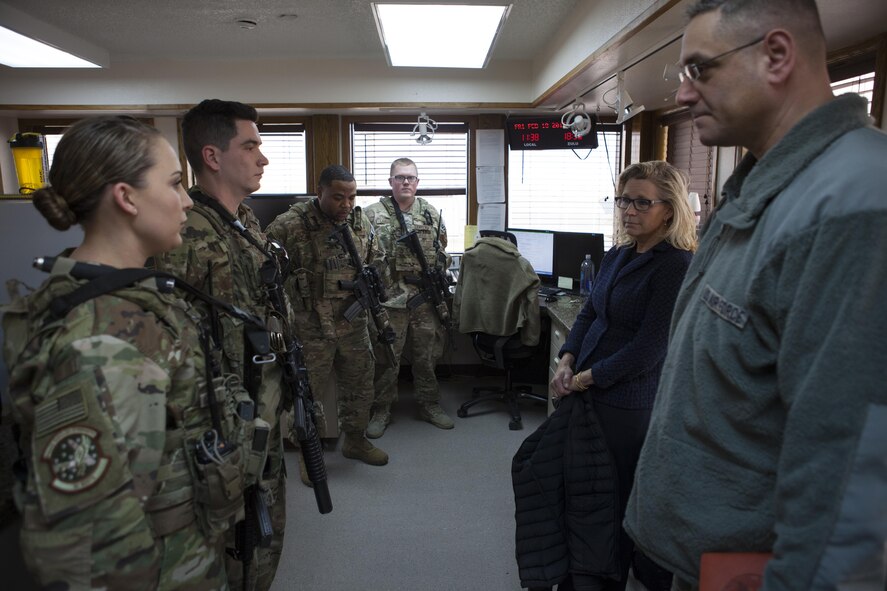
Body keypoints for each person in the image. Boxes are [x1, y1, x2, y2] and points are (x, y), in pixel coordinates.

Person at [623, 1, 887, 590]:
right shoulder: (759, 189)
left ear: (776, 55)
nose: (685, 94)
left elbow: (852, 488)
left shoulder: (853, 203)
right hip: (704, 559)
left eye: (700, 69)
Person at [1, 116, 235, 589]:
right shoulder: (102, 344)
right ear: (126, 197)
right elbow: (88, 554)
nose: (187, 200)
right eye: (174, 184)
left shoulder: (132, 298)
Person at [542, 161, 697, 591]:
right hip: (587, 386)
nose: (629, 210)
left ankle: (603, 575)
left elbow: (650, 349)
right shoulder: (619, 254)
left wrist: (585, 378)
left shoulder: (675, 266)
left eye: (642, 202)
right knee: (580, 490)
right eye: (624, 199)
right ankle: (579, 569)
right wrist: (567, 357)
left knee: (610, 498)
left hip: (627, 402)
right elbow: (591, 311)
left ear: (668, 210)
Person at [152, 99, 287, 591]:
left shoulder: (247, 222)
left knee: (263, 539)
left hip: (264, 411)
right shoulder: (183, 235)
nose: (262, 157)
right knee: (231, 549)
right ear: (212, 156)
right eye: (250, 145)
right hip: (222, 425)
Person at [265, 165, 389, 466]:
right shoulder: (288, 225)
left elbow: (379, 259)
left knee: (360, 386)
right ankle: (311, 456)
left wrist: (372, 278)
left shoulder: (361, 224)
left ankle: (356, 441)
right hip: (310, 328)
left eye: (351, 197)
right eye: (337, 197)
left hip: (353, 324)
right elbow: (266, 276)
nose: (346, 204)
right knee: (307, 395)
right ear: (318, 190)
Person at [363, 157, 454, 436]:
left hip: (423, 299)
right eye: (400, 177)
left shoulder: (430, 214)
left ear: (417, 182)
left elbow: (442, 250)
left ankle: (429, 404)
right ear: (390, 181)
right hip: (389, 299)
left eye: (410, 178)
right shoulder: (370, 214)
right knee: (387, 357)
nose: (405, 182)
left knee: (426, 356)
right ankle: (381, 410)